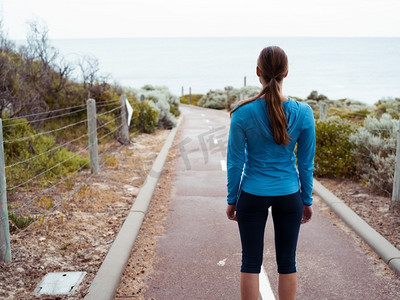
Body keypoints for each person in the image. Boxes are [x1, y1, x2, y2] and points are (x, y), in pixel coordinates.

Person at [226, 46, 315, 300]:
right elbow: (306, 164)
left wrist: (232, 200)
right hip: (289, 195)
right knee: (288, 262)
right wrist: (306, 200)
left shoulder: (242, 113)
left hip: (252, 195)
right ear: (286, 72)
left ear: (258, 72)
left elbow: (235, 162)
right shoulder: (304, 113)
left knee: (250, 262)